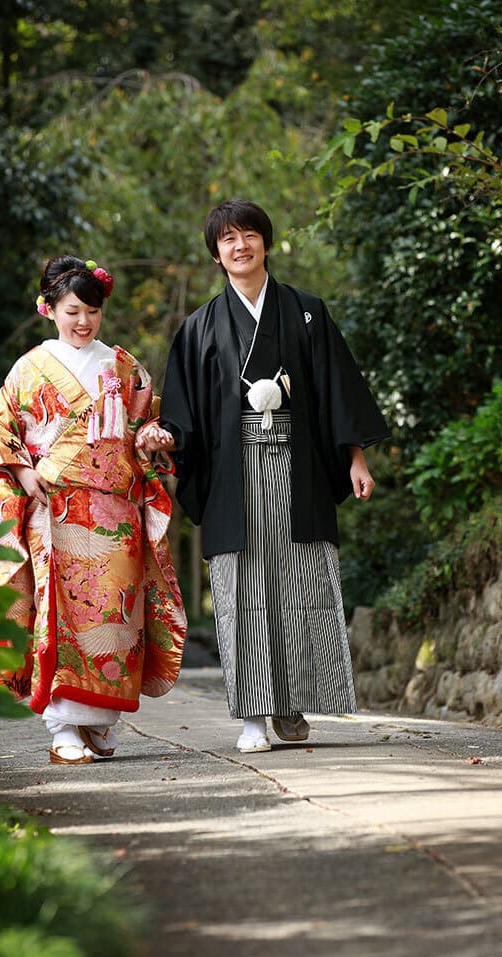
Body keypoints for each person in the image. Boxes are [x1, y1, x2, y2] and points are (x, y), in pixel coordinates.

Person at [158, 199, 389, 753]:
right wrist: (167, 443)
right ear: (216, 253)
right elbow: (183, 414)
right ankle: (253, 716)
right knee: (243, 589)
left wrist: (356, 457)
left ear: (266, 241)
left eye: (249, 235)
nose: (240, 246)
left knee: (300, 583)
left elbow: (336, 391)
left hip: (299, 468)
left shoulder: (308, 312)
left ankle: (292, 705)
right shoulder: (200, 327)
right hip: (233, 476)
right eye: (228, 239)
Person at [0, 254, 186, 764]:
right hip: (55, 510)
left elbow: (142, 431)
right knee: (61, 612)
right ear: (47, 308)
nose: (83, 321)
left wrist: (153, 438)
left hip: (115, 514)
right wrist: (25, 473)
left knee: (116, 615)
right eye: (72, 310)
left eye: (92, 311)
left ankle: (98, 723)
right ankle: (62, 728)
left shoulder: (123, 365)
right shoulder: (28, 368)